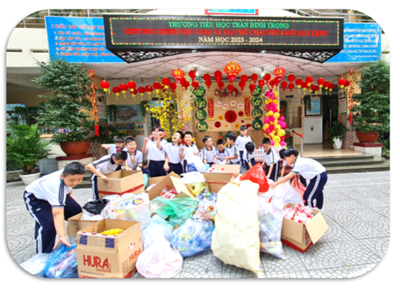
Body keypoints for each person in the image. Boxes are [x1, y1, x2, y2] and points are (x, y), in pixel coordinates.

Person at [23, 162, 85, 254]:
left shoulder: (69, 173)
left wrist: (73, 204)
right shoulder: (54, 185)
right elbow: (57, 214)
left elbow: (69, 191)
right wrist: (62, 236)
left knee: (75, 211)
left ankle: (75, 240)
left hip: (54, 195)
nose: (75, 183)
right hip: (36, 199)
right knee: (49, 224)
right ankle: (43, 254)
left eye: (79, 179)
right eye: (72, 180)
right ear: (62, 176)